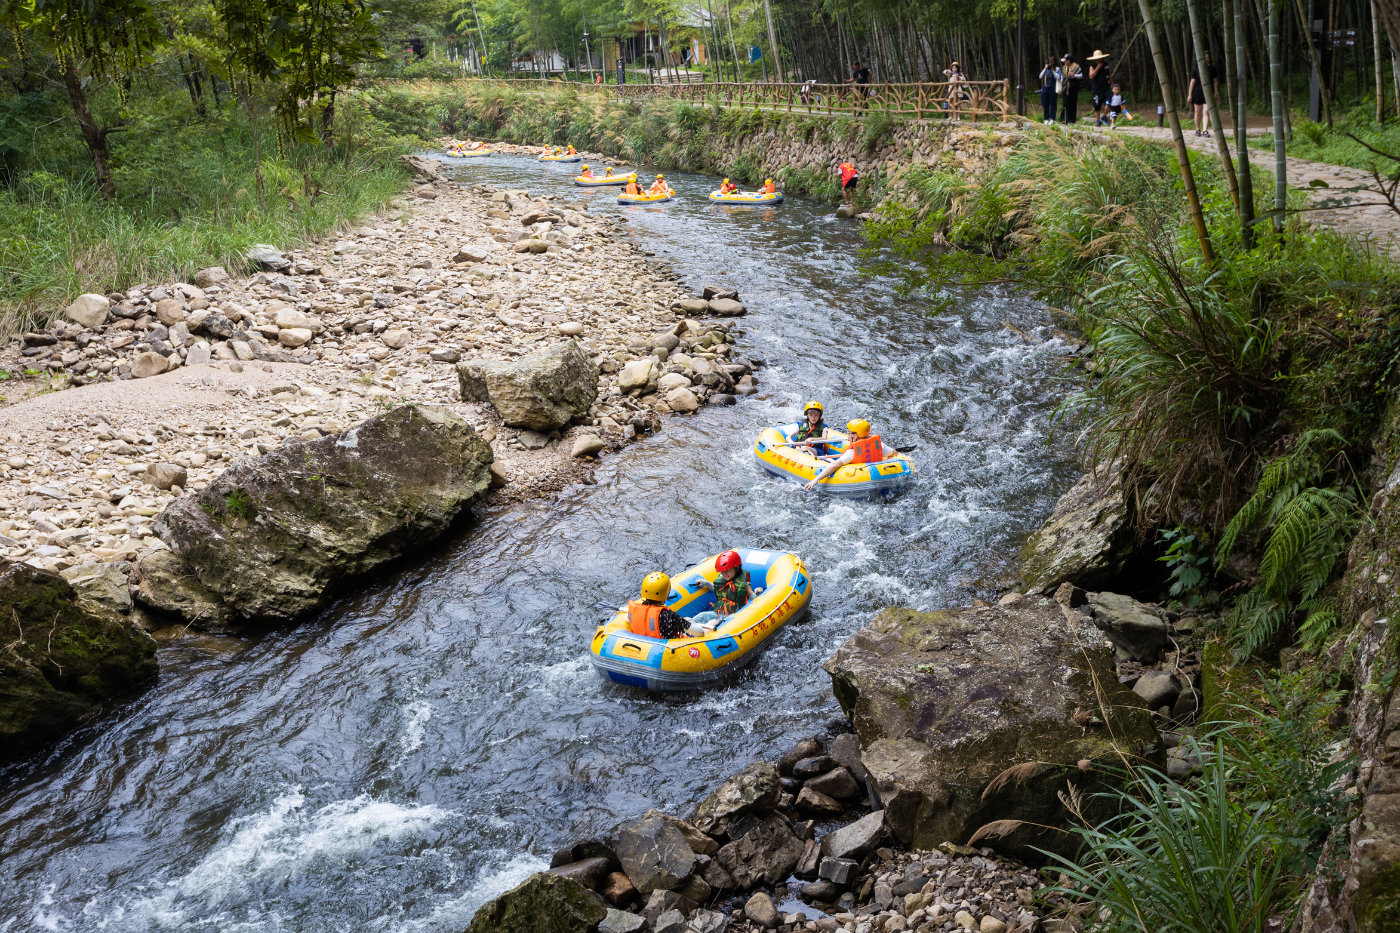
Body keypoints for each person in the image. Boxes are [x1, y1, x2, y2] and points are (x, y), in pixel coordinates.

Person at [804, 419, 898, 491]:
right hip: (880, 477)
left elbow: (835, 465)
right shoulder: (880, 445)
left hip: (861, 480)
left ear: (856, 435)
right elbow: (894, 453)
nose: (848, 436)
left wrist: (815, 480)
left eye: (849, 433)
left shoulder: (852, 452)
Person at [689, 550, 756, 627]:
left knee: (713, 622)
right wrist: (705, 582)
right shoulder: (723, 581)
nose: (724, 574)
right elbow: (715, 588)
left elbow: (752, 595)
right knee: (701, 615)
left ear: (736, 567)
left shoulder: (745, 585)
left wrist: (758, 595)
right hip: (719, 612)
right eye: (722, 572)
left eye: (727, 571)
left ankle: (701, 631)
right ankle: (686, 627)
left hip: (733, 615)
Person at [626, 572, 696, 639]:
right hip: (669, 645)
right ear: (666, 592)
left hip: (644, 643)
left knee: (686, 619)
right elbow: (698, 632)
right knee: (692, 620)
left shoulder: (633, 610)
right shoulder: (668, 615)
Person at [1186, 52, 1218, 136]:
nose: (1207, 59)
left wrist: (1216, 91)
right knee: (1197, 111)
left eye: (1208, 58)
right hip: (1197, 92)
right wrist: (1190, 94)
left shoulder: (1212, 68)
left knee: (1206, 111)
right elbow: (1192, 83)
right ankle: (1197, 129)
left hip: (1208, 92)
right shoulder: (1196, 69)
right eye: (1205, 58)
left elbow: (1215, 81)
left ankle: (1205, 130)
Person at [1087, 50, 1111, 126]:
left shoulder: (1106, 65)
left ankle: (1104, 116)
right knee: (1097, 105)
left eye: (1099, 58)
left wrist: (1112, 84)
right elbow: (1091, 76)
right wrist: (1098, 67)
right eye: (1097, 58)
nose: (1098, 59)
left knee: (1109, 102)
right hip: (1097, 89)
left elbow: (1110, 75)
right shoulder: (1092, 67)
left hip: (1106, 88)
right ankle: (1097, 121)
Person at [1059, 54, 1082, 124]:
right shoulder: (1064, 67)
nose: (1064, 62)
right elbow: (1062, 77)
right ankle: (1064, 118)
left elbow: (1081, 75)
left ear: (1069, 60)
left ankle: (1071, 120)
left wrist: (1074, 75)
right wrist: (1061, 85)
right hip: (1065, 87)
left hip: (1073, 87)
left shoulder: (1076, 66)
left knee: (1072, 103)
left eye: (1065, 60)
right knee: (1065, 103)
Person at [1038, 59, 1059, 124]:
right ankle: (1046, 119)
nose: (1050, 64)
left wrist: (1052, 71)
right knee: (1045, 104)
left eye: (1052, 62)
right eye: (1049, 63)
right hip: (1045, 88)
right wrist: (1045, 69)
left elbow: (1058, 77)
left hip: (1053, 88)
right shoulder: (1046, 70)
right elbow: (1040, 76)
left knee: (1053, 104)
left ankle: (1052, 118)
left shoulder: (1057, 69)